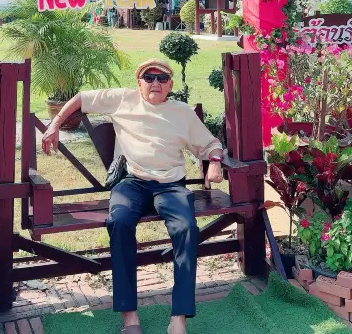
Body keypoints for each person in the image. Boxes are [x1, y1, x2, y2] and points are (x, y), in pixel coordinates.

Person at [41, 59, 224, 334]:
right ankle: (129, 316)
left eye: (162, 79)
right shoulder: (122, 99)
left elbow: (210, 143)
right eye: (149, 78)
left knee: (186, 229)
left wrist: (216, 161)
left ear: (170, 85)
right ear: (139, 83)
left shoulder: (181, 112)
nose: (155, 83)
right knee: (120, 222)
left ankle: (179, 319)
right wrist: (54, 124)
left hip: (170, 185)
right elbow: (81, 98)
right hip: (131, 182)